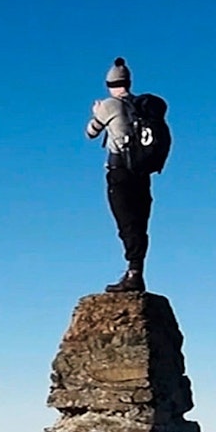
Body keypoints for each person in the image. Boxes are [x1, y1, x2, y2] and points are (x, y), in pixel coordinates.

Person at [85, 57, 151, 293]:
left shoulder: (108, 105)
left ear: (109, 84)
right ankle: (136, 270)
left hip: (120, 172)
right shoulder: (141, 106)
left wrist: (96, 113)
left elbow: (90, 133)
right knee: (140, 223)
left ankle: (133, 275)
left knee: (126, 223)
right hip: (142, 173)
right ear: (129, 82)